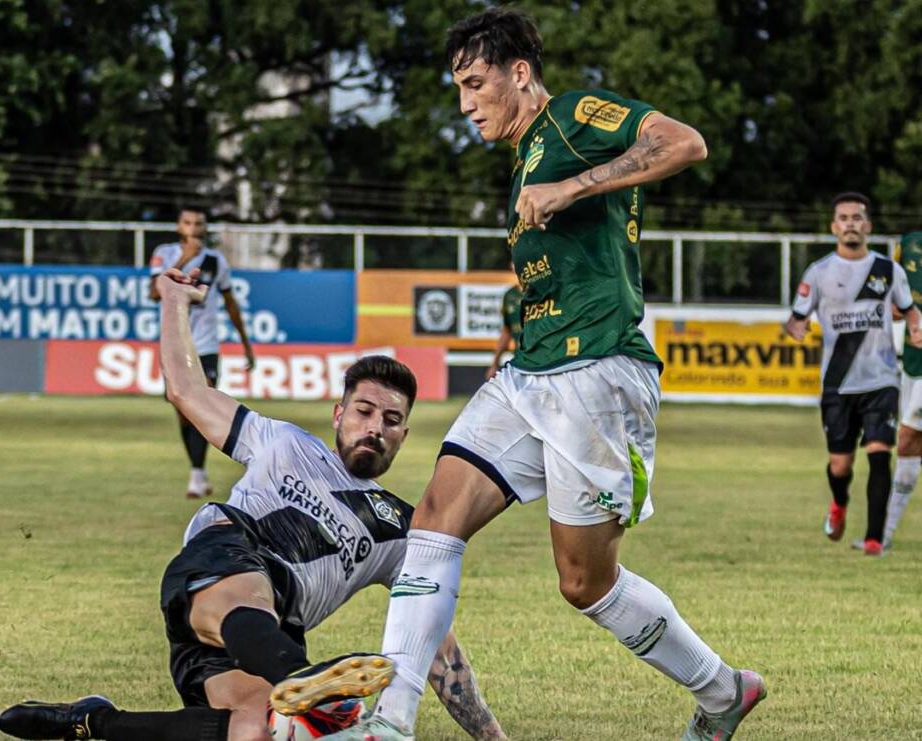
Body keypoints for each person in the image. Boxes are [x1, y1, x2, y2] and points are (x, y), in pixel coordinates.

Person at [280, 8, 765, 740]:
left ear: (519, 73)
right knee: (435, 517)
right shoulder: (524, 157)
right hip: (533, 370)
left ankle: (724, 690)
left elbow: (683, 142)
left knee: (586, 584)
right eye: (458, 89)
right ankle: (389, 723)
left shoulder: (573, 117)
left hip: (598, 373)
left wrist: (574, 188)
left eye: (475, 83)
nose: (466, 103)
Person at [0, 268, 506, 741]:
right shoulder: (280, 441)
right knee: (256, 595)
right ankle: (302, 683)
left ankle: (91, 721)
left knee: (257, 729)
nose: (375, 427)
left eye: (391, 421)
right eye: (364, 411)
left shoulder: (401, 531)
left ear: (405, 435)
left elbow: (437, 646)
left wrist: (492, 737)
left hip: (273, 631)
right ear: (337, 414)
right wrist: (174, 300)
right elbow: (186, 389)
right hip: (225, 559)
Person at [786, 194, 922, 556]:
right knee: (840, 465)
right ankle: (839, 503)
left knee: (880, 453)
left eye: (857, 218)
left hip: (881, 379)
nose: (850, 223)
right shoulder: (819, 272)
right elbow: (795, 318)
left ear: (868, 226)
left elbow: (909, 310)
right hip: (838, 383)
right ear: (834, 227)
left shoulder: (888, 270)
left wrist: (915, 326)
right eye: (843, 218)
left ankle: (875, 538)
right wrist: (795, 327)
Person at [149, 205, 256, 499]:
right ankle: (198, 470)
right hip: (174, 345)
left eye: (199, 223)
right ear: (178, 226)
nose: (194, 228)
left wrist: (246, 344)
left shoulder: (216, 260)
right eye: (188, 223)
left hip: (205, 345)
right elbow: (154, 292)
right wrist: (185, 259)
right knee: (183, 410)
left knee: (203, 402)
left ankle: (197, 475)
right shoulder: (165, 253)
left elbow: (230, 302)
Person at [857, 229, 922, 550]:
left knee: (908, 438)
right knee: (910, 446)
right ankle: (884, 535)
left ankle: (882, 535)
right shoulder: (909, 245)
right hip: (913, 362)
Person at [484, 264, 522, 381]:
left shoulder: (541, 293)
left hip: (543, 361)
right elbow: (507, 331)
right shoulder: (509, 295)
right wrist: (494, 364)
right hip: (520, 362)